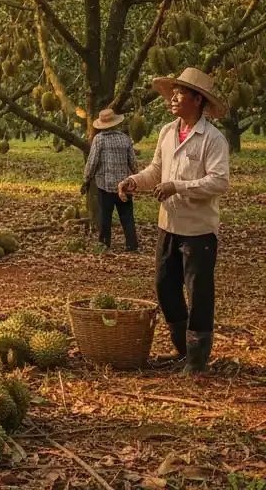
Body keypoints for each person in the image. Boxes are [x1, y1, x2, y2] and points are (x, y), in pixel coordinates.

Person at [118, 67, 229, 375]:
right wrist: (133, 181)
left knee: (199, 293)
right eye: (173, 92)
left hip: (198, 230)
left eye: (181, 93)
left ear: (197, 99)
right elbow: (156, 169)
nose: (173, 98)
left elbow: (219, 182)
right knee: (165, 286)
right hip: (169, 225)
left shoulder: (213, 139)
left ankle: (197, 359)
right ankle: (182, 348)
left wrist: (177, 186)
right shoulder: (168, 131)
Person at [82, 107, 139, 251]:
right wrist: (137, 177)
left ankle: (104, 244)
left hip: (105, 186)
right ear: (115, 123)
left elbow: (92, 162)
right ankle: (132, 245)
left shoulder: (99, 139)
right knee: (127, 216)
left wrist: (86, 179)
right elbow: (133, 162)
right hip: (124, 186)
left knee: (105, 217)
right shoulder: (125, 138)